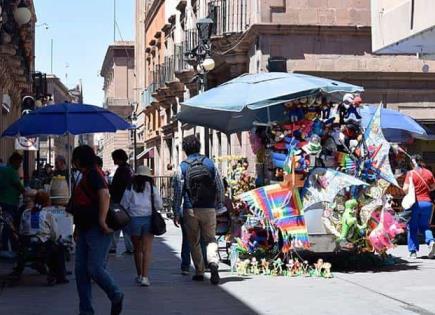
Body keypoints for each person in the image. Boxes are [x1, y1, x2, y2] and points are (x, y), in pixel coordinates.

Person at [69, 145, 123, 315]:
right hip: (85, 228)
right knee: (80, 271)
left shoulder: (93, 173)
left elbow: (104, 195)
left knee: (94, 268)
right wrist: (77, 228)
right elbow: (82, 203)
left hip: (97, 228)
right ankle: (85, 311)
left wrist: (101, 220)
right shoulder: (85, 174)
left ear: (78, 160)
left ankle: (116, 294)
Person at [173, 135, 226, 285]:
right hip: (209, 208)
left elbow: (178, 191)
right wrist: (220, 203)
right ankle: (213, 262)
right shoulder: (210, 164)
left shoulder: (182, 167)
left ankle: (199, 271)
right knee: (210, 238)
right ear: (199, 147)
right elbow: (220, 186)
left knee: (194, 241)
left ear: (184, 149)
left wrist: (176, 211)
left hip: (191, 209)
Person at [13, 191, 68, 285]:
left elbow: (22, 230)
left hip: (26, 244)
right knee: (59, 247)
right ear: (47, 202)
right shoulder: (47, 215)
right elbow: (55, 234)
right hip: (42, 246)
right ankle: (60, 276)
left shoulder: (25, 213)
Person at [121, 166, 162, 287]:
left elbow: (124, 204)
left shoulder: (130, 187)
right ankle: (145, 277)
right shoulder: (152, 187)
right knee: (147, 249)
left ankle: (139, 275)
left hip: (133, 220)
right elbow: (159, 204)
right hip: (149, 218)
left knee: (137, 249)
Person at [403, 154, 435, 259]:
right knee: (425, 226)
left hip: (415, 203)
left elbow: (405, 189)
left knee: (412, 227)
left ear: (413, 162)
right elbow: (433, 187)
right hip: (427, 203)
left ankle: (413, 251)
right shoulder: (429, 172)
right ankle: (431, 242)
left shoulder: (411, 174)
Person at [110, 149, 134, 254]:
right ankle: (129, 247)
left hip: (120, 201)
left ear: (118, 159)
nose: (113, 161)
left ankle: (114, 246)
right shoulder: (128, 169)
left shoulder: (122, 170)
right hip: (125, 201)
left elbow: (118, 186)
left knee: (117, 224)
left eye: (114, 158)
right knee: (123, 224)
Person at [0, 152, 25, 252]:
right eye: (19, 162)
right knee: (9, 225)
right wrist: (26, 192)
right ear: (14, 161)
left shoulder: (3, 169)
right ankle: (6, 248)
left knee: (7, 224)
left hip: (3, 200)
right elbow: (19, 186)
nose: (19, 165)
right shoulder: (11, 171)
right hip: (10, 202)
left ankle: (8, 246)